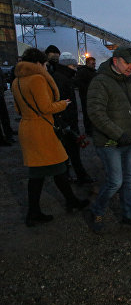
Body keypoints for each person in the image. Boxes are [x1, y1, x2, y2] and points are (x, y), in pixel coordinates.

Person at [11, 48, 89, 227]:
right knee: (54, 167)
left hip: (27, 128)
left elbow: (17, 109)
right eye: (45, 64)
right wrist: (63, 104)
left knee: (45, 171)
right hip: (42, 130)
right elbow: (46, 107)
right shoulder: (38, 79)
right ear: (38, 63)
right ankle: (40, 211)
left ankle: (46, 208)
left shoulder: (17, 81)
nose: (46, 67)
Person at [85, 46, 131, 233]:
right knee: (115, 182)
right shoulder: (100, 82)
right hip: (109, 142)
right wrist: (118, 134)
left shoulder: (130, 81)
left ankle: (129, 215)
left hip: (128, 140)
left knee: (129, 180)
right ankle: (96, 210)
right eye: (127, 62)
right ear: (115, 61)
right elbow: (96, 113)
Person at [52, 52, 94, 184]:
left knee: (72, 152)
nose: (75, 68)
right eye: (73, 66)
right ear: (67, 65)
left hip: (68, 121)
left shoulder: (63, 77)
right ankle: (69, 177)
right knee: (68, 152)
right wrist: (64, 122)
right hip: (66, 122)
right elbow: (60, 103)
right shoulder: (61, 79)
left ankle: (78, 176)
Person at [74, 56, 96, 135]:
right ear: (87, 63)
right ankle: (88, 130)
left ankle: (92, 128)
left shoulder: (94, 72)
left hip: (92, 96)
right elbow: (78, 82)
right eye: (92, 63)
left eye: (94, 63)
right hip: (85, 96)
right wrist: (87, 88)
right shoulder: (82, 72)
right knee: (87, 113)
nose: (94, 65)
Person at [0, 66, 16, 146]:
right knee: (4, 116)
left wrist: (4, 86)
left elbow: (2, 77)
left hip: (0, 94)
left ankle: (9, 134)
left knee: (4, 116)